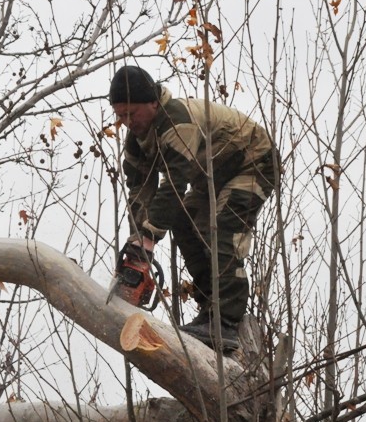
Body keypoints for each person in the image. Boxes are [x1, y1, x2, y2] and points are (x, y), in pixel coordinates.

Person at [110, 65, 277, 349]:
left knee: (223, 230)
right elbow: (140, 191)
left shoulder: (177, 122)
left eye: (132, 113)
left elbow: (175, 184)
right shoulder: (137, 141)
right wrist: (139, 244)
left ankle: (226, 321)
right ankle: (209, 308)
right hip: (212, 176)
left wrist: (150, 236)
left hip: (252, 163)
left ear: (152, 102)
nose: (127, 121)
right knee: (182, 221)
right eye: (120, 115)